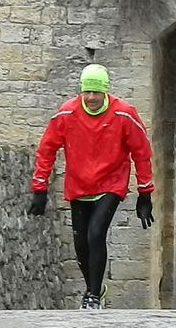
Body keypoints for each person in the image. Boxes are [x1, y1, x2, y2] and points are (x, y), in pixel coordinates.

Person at [28, 64, 155, 310]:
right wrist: (39, 188)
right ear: (81, 92)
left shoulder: (124, 114)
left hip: (111, 183)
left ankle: (93, 297)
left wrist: (144, 193)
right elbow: (46, 150)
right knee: (81, 245)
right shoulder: (66, 114)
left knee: (96, 234)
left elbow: (141, 152)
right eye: (87, 92)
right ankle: (95, 288)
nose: (91, 97)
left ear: (105, 91)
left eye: (96, 92)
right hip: (79, 185)